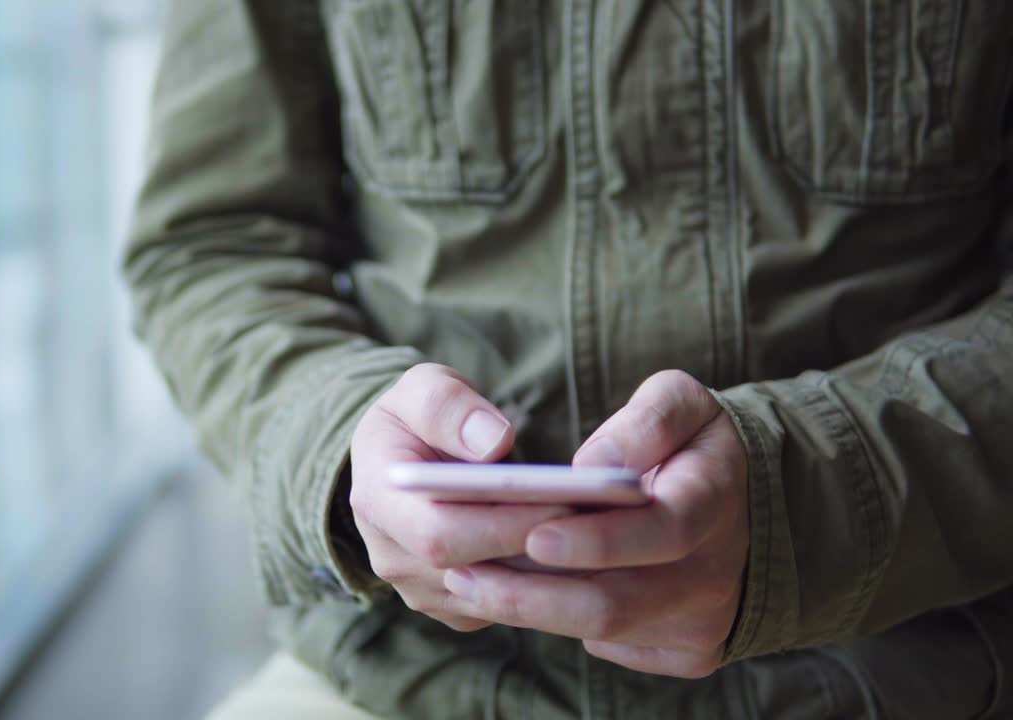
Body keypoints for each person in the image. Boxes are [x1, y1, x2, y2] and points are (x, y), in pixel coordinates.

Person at [125, 1, 1013, 717]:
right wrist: (340, 440)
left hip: (923, 666)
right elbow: (216, 246)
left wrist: (811, 503)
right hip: (406, 679)